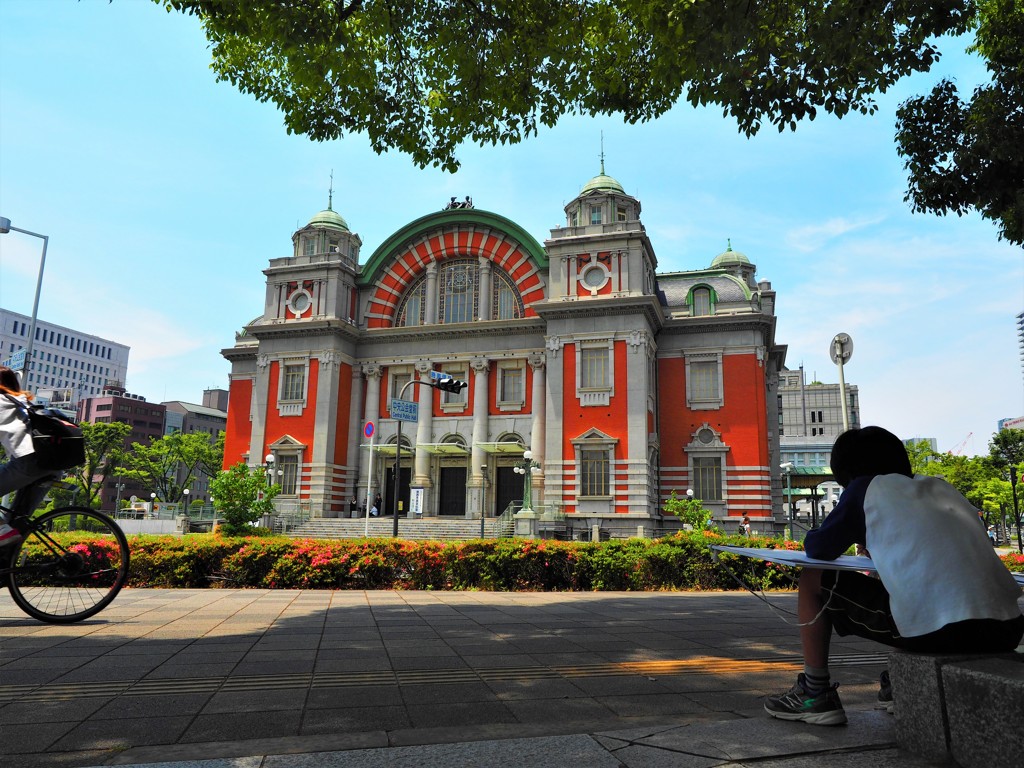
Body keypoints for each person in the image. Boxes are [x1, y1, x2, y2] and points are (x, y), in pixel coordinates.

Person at [765, 426, 1024, 726]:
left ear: (846, 475)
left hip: (942, 632)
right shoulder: (941, 487)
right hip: (1006, 628)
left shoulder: (863, 489)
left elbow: (819, 548)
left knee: (813, 577)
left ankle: (814, 692)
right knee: (907, 586)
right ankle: (895, 684)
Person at [0, 366, 56, 546]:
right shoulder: (22, 401)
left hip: (29, 464)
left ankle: (2, 530)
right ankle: (9, 570)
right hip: (52, 464)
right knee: (16, 524)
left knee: (6, 531)